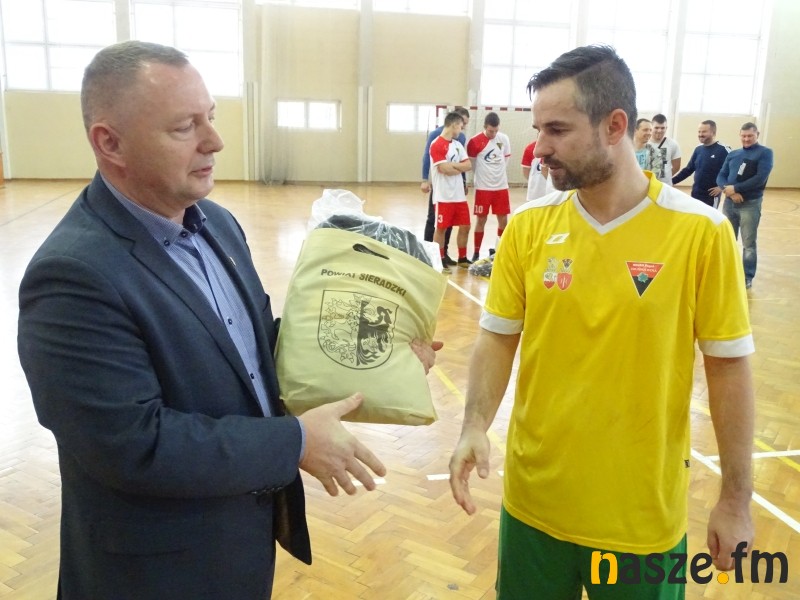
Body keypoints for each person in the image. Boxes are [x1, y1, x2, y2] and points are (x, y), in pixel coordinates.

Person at [16, 41, 430, 600]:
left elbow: (255, 353)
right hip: (153, 572)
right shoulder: (73, 275)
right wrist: (294, 443)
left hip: (238, 544)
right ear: (110, 142)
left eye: (210, 117)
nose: (214, 140)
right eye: (184, 126)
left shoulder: (216, 223)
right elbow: (134, 444)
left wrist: (376, 358)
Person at [449, 44, 754, 599]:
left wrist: (736, 499)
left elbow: (729, 371)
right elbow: (496, 340)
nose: (540, 148)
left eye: (557, 130)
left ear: (615, 126)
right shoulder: (527, 228)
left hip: (641, 519)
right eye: (538, 129)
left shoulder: (703, 233)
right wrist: (474, 425)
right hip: (534, 506)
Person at [714, 122, 774, 290]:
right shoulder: (733, 154)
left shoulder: (765, 153)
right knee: (727, 240)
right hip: (729, 203)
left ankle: (747, 276)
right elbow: (721, 176)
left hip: (750, 205)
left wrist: (736, 188)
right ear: (740, 135)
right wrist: (730, 191)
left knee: (748, 243)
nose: (746, 139)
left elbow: (760, 178)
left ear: (757, 135)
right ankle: (726, 272)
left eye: (750, 136)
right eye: (744, 136)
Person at [421, 106, 470, 266]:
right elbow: (443, 169)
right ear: (454, 125)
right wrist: (457, 167)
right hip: (443, 196)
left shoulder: (458, 144)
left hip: (459, 196)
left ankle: (462, 258)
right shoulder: (436, 144)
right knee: (440, 228)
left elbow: (468, 165)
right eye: (461, 126)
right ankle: (439, 259)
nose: (462, 129)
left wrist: (453, 167)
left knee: (465, 226)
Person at [467, 111, 511, 262]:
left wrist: (498, 175)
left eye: (496, 131)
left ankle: (500, 250)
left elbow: (506, 159)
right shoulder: (474, 142)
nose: (493, 134)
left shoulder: (503, 139)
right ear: (485, 127)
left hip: (501, 187)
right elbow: (472, 164)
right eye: (491, 131)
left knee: (503, 219)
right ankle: (476, 252)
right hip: (483, 188)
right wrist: (482, 177)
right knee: (481, 220)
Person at [672, 119, 729, 207]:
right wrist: (671, 181)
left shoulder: (723, 150)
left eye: (704, 132)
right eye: (699, 131)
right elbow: (688, 169)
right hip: (695, 194)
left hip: (711, 197)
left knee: (709, 216)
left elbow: (733, 170)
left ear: (713, 133)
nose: (700, 134)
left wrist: (721, 187)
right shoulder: (698, 149)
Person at [651, 113, 682, 185]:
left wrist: (666, 177)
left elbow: (676, 167)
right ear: (651, 127)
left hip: (665, 185)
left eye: (662, 128)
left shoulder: (673, 144)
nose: (659, 130)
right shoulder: (644, 143)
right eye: (656, 128)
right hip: (648, 184)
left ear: (666, 128)